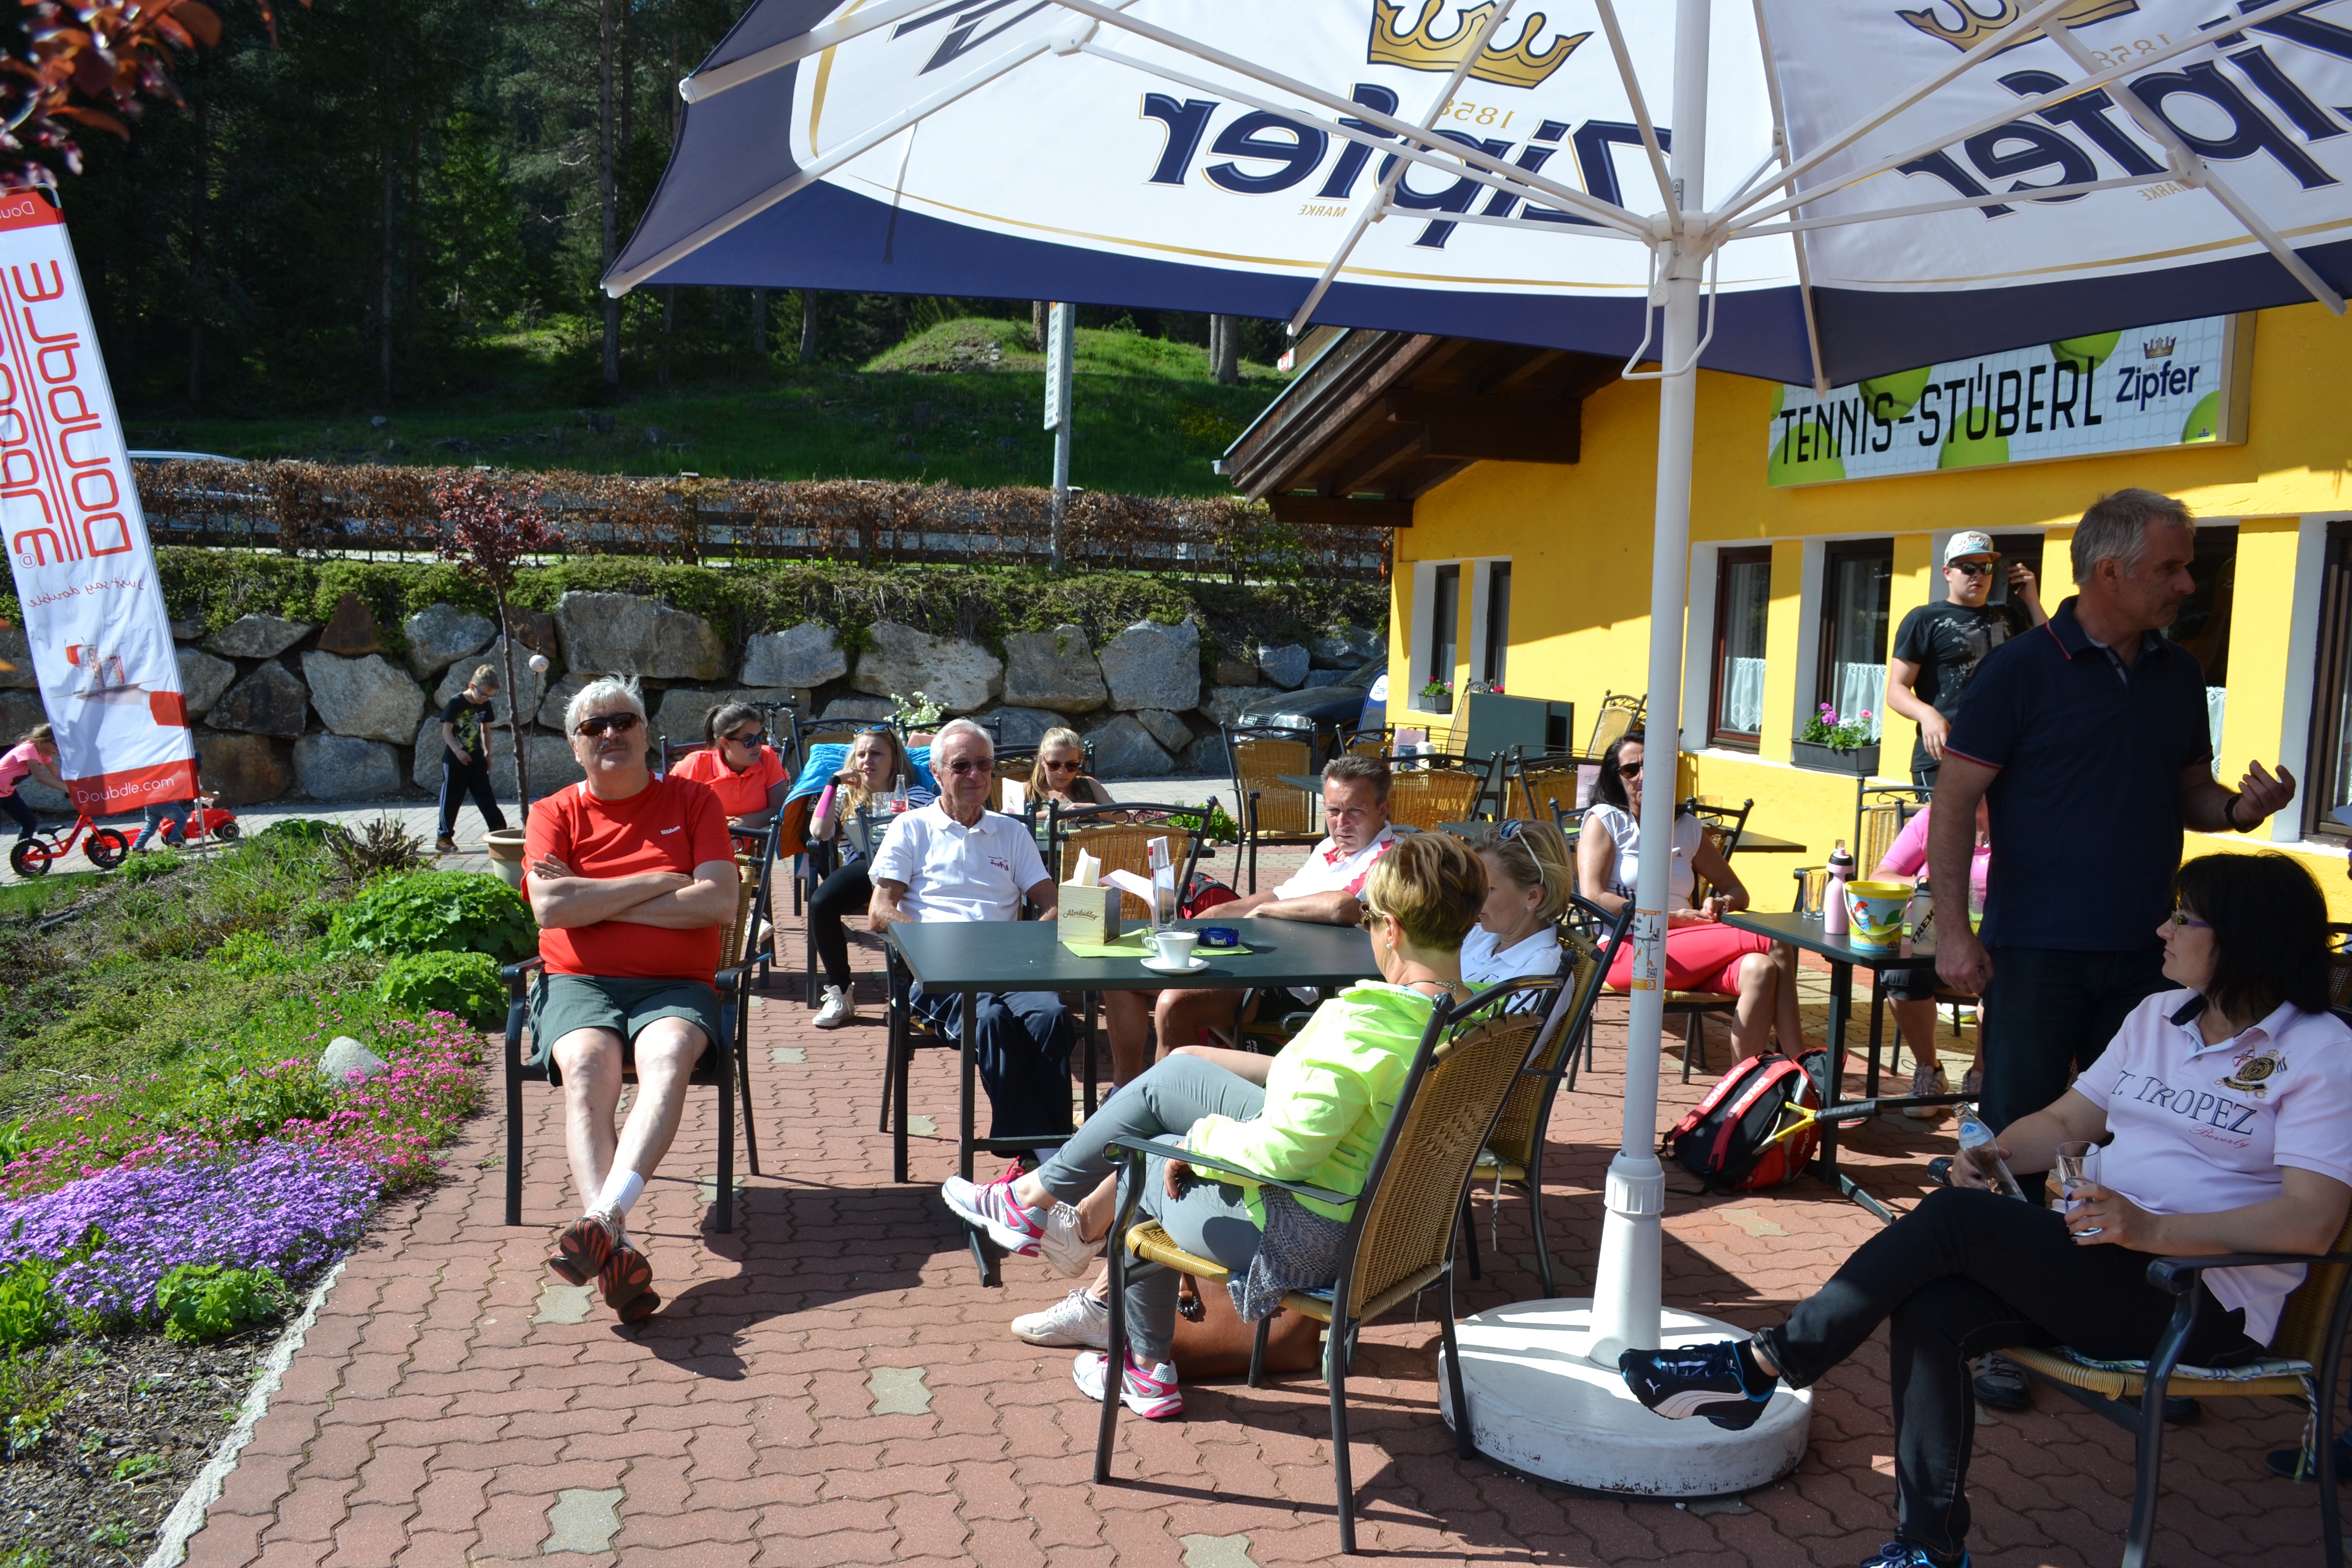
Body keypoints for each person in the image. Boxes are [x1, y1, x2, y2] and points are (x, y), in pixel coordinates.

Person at [1622, 851, 2352, 1568]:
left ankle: (1763, 1364)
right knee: (1933, 1307)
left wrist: (2151, 1227)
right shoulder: (2160, 1016)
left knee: (1956, 1222)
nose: (2162, 930)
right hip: (2103, 1260)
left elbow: (2311, 1220)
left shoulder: (2322, 1052)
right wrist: (1996, 1152)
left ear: (2245, 939)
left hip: (2202, 1301)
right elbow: (2068, 1120)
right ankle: (1930, 1548)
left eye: (2183, 919)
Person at [945, 831, 1492, 1418]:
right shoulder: (1477, 1014)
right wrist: (1210, 1076)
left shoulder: (1361, 1025)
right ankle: (1038, 1204)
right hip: (1394, 1229)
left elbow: (1287, 1155)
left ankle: (1143, 1366)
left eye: (1368, 921)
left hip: (1310, 1234)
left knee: (1145, 1157)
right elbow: (1354, 1092)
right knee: (1177, 1072)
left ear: (1393, 929)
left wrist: (1199, 1142)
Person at [1933, 489, 2297, 1150]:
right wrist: (1955, 934)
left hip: (2149, 949)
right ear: (2110, 572)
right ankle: (2002, 1225)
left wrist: (2238, 811)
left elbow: (2190, 788)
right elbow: (1954, 801)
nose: (2187, 585)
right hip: (2038, 950)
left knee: (2126, 1135)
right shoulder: (2019, 668)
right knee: (2019, 1131)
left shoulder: (2180, 672)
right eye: (2170, 568)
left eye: (2186, 567)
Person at [524, 676, 740, 1325]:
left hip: (676, 986)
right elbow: (550, 907)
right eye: (593, 727)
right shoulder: (553, 813)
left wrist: (592, 898)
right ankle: (612, 1237)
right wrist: (659, 881)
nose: (610, 733)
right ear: (575, 745)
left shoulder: (695, 801)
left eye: (623, 721)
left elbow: (718, 902)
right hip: (578, 982)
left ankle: (603, 1220)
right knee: (588, 1066)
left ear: (647, 733)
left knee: (668, 1055)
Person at [1098, 753, 1398, 1088]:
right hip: (1264, 962)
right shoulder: (1330, 847)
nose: (1342, 822)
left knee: (1175, 1004)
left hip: (1301, 986)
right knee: (1120, 976)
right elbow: (1282, 894)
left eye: (1355, 811)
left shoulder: (1389, 858)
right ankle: (1123, 1090)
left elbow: (1342, 907)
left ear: (1382, 810)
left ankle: (1169, 1106)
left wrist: (1266, 912)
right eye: (1333, 810)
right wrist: (1213, 915)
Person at [869, 718, 1074, 1141]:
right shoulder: (911, 827)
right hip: (939, 972)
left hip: (1007, 967)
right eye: (961, 766)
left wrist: (1025, 949)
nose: (975, 775)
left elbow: (1055, 904)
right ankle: (1042, 1148)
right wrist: (941, 947)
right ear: (937, 772)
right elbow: (880, 912)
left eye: (984, 764)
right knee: (992, 1020)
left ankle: (1046, 1147)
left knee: (1051, 1016)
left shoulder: (1011, 831)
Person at [1578, 731, 1814, 1059]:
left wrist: (1721, 903)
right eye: (1631, 769)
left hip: (1685, 948)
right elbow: (1592, 896)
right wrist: (1670, 918)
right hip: (1627, 948)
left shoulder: (1687, 826)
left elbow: (1738, 892)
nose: (1643, 776)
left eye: (1652, 766)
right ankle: (1802, 1064)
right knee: (1773, 940)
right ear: (1616, 778)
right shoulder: (1607, 820)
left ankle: (1742, 1083)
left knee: (1760, 969)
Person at [1884, 531, 2046, 790]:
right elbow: (1896, 691)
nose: (1977, 574)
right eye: (1968, 567)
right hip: (1944, 755)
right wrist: (1927, 715)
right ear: (1947, 572)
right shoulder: (1924, 619)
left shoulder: (2008, 616)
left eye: (1986, 567)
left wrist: (2032, 600)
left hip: (2003, 753)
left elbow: (2050, 654)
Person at [1869, 799, 1990, 1114]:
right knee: (1899, 974)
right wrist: (1921, 884)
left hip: (1994, 943)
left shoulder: (2022, 821)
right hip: (1932, 940)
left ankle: (1982, 1076)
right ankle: (1929, 1070)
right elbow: (1881, 876)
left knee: (2004, 978)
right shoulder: (1932, 820)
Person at [806, 726, 930, 1030]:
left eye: (876, 753)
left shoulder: (914, 796)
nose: (867, 760)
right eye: (861, 754)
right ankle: (840, 993)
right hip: (864, 867)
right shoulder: (846, 796)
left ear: (894, 759)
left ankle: (916, 995)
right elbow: (818, 832)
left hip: (911, 871)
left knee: (920, 905)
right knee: (821, 903)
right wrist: (833, 784)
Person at [1463, 819, 1573, 989]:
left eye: (1488, 889)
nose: (1474, 897)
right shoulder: (1477, 936)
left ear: (1532, 897)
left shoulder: (1541, 973)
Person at [669, 702, 790, 831]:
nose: (757, 745)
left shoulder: (767, 757)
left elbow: (780, 809)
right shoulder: (696, 764)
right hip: (705, 838)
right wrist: (711, 821)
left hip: (756, 842)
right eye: (748, 740)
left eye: (761, 737)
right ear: (725, 743)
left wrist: (745, 822)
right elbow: (668, 808)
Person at [435, 665, 508, 855]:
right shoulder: (456, 702)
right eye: (483, 694)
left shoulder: (485, 704)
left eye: (490, 696)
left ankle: (499, 831)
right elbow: (446, 731)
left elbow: (486, 730)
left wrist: (488, 754)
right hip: (455, 760)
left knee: (486, 796)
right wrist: (458, 752)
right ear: (472, 686)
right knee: (452, 798)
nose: (485, 698)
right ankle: (444, 838)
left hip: (476, 758)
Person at [0, 724, 64, 842]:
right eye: (56, 745)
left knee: (29, 823)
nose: (58, 750)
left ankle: (21, 854)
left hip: (7, 793)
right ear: (43, 740)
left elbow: (58, 774)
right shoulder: (29, 749)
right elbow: (40, 777)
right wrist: (67, 789)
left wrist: (78, 785)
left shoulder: (43, 754)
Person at [1030, 726, 1113, 810]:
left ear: (1079, 761)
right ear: (1043, 760)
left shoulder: (1089, 784)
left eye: (1071, 766)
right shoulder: (1029, 790)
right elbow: (1022, 817)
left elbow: (1120, 814)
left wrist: (1096, 811)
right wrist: (1062, 814)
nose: (1062, 773)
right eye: (1054, 765)